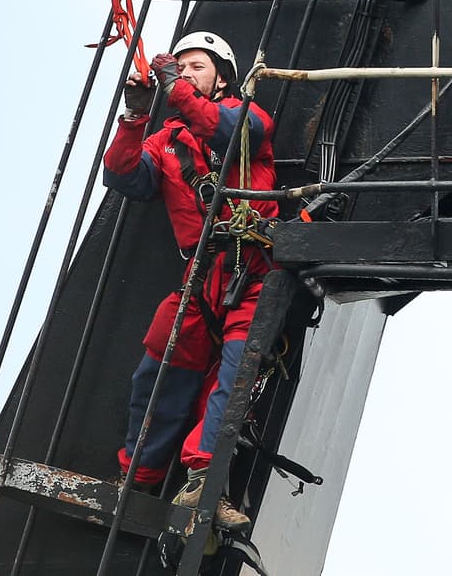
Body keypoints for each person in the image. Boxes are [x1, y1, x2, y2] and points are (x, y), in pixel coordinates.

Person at [103, 30, 278, 530]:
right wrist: (135, 118)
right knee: (160, 375)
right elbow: (123, 177)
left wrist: (174, 88)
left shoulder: (250, 118)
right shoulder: (165, 143)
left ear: (222, 76)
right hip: (202, 276)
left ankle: (203, 482)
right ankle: (136, 477)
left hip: (254, 269)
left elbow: (230, 134)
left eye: (196, 66)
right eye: (179, 66)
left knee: (235, 376)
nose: (183, 73)